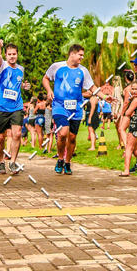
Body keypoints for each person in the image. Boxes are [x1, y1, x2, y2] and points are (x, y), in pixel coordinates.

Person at [43, 44, 96, 175]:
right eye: (80, 55)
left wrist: (105, 97)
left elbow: (92, 88)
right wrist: (49, 90)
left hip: (76, 108)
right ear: (72, 54)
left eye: (83, 55)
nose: (82, 57)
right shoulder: (57, 67)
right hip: (59, 106)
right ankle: (60, 159)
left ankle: (67, 162)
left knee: (72, 138)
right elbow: (46, 78)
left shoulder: (83, 71)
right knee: (62, 133)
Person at [0, 40, 28, 175]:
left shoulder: (21, 69)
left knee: (17, 134)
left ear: (17, 55)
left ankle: (13, 162)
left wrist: (24, 86)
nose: (12, 56)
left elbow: (17, 84)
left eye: (14, 54)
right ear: (6, 55)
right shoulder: (2, 66)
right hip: (1, 107)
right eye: (9, 54)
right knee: (0, 138)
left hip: (17, 106)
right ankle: (1, 161)